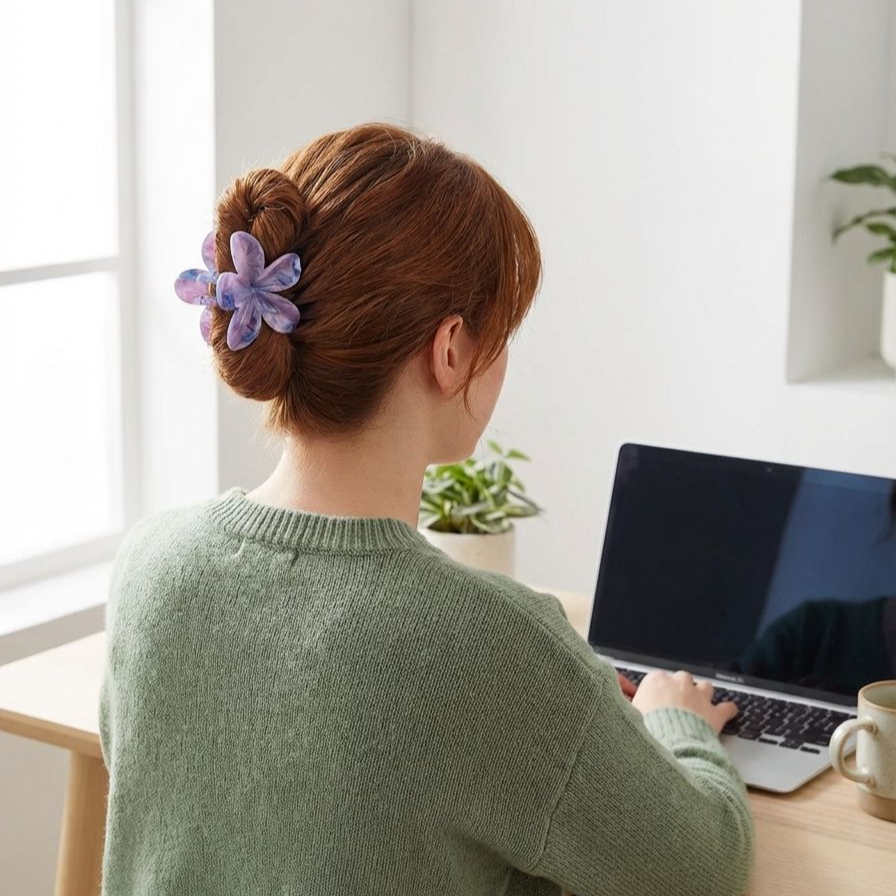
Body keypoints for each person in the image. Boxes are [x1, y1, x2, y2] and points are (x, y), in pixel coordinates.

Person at [98, 122, 754, 896]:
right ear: (450, 351)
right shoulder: (498, 647)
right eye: (501, 332)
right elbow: (703, 869)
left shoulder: (149, 567)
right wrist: (675, 722)